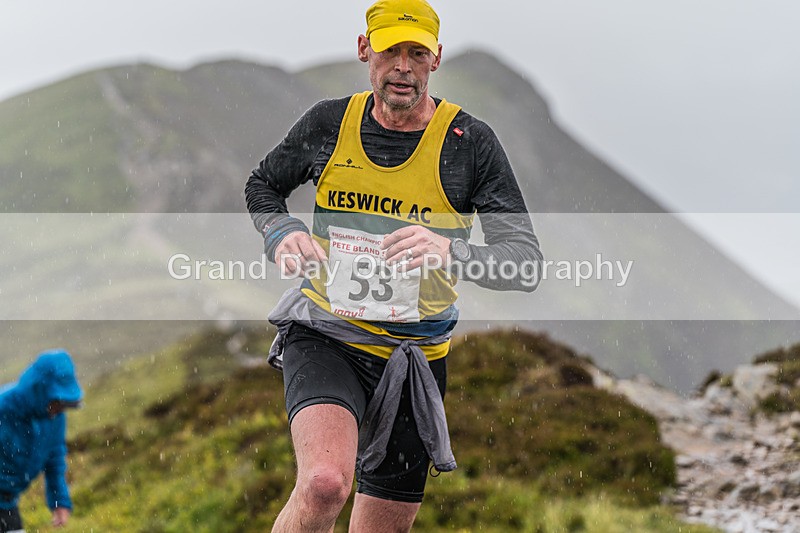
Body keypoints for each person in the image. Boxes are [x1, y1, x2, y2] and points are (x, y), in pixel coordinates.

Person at [245, 0, 542, 530]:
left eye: (417, 53)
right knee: (324, 484)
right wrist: (282, 231)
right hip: (327, 335)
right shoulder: (328, 124)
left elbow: (525, 264)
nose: (403, 66)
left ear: (436, 58)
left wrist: (452, 252)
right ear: (365, 51)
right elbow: (263, 186)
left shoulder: (470, 144)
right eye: (390, 51)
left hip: (415, 359)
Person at [0, 350, 83, 532]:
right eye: (57, 402)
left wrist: (58, 501)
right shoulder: (4, 408)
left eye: (64, 405)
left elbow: (54, 457)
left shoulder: (54, 419)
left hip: (7, 504)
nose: (59, 409)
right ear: (39, 389)